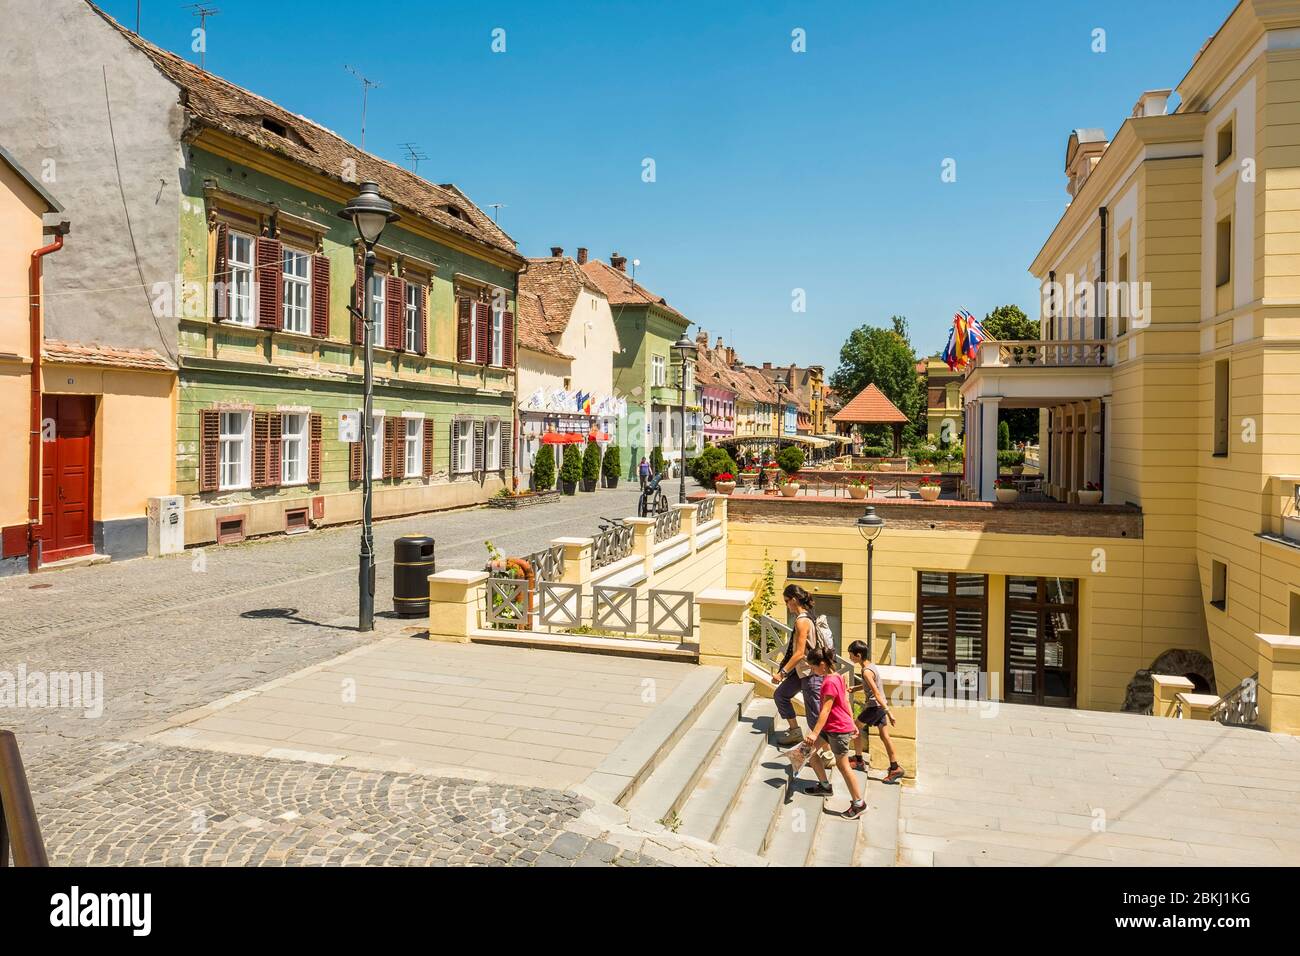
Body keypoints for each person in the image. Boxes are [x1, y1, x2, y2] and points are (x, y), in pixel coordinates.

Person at [801, 646, 867, 819]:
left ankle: (859, 803)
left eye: (814, 668)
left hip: (837, 729)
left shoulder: (830, 681)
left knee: (843, 766)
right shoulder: (837, 676)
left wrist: (814, 733)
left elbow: (826, 710)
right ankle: (824, 785)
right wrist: (853, 722)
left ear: (822, 664)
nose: (813, 671)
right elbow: (845, 701)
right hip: (831, 727)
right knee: (808, 751)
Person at [846, 639, 904, 784]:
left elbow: (876, 692)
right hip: (879, 705)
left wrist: (889, 713)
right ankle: (895, 767)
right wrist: (856, 688)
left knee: (855, 727)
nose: (850, 658)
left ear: (858, 655)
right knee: (885, 736)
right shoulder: (871, 666)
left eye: (851, 655)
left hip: (875, 707)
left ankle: (859, 760)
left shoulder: (866, 672)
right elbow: (871, 685)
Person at [771, 585, 823, 746]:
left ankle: (826, 752)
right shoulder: (807, 616)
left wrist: (782, 673)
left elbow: (800, 653)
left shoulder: (802, 621)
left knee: (814, 715)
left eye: (787, 601)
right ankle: (795, 732)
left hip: (810, 672)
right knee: (781, 695)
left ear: (793, 599)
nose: (786, 605)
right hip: (800, 670)